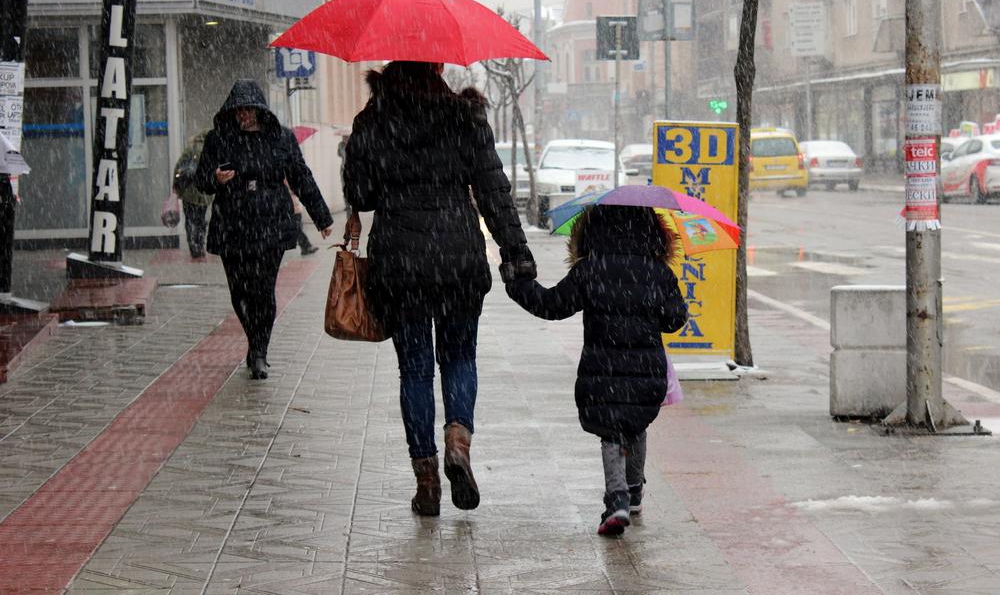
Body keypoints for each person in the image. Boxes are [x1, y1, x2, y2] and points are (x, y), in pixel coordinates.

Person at [343, 61, 534, 516]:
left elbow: (362, 194)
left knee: (415, 371)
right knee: (459, 357)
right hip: (457, 260)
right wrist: (515, 252)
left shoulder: (373, 119)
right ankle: (457, 442)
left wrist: (366, 143)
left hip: (401, 263)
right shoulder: (464, 116)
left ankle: (426, 482)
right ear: (440, 65)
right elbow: (493, 190)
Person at [505, 205, 688, 536]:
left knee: (612, 432)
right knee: (635, 425)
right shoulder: (658, 272)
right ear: (652, 232)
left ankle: (616, 498)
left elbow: (551, 305)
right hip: (647, 369)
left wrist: (519, 285)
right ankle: (633, 491)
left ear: (591, 231)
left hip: (601, 369)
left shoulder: (591, 269)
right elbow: (675, 320)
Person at [195, 79, 333, 380]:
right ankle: (254, 339)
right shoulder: (219, 139)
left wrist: (322, 217)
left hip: (270, 224)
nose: (242, 116)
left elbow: (301, 176)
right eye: (238, 110)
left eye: (248, 110)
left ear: (259, 110)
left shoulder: (280, 138)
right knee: (239, 291)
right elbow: (201, 180)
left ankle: (259, 351)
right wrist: (215, 178)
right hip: (231, 224)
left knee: (263, 290)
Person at [173, 131, 211, 258]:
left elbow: (179, 166)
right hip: (204, 193)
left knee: (190, 219)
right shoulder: (211, 149)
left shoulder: (191, 148)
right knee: (200, 220)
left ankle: (192, 245)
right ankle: (200, 245)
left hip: (189, 191)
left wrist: (176, 185)